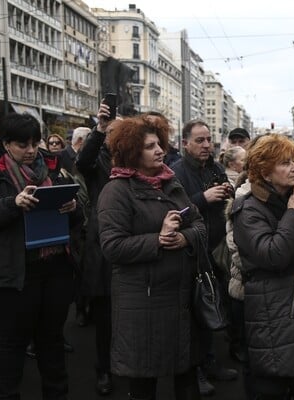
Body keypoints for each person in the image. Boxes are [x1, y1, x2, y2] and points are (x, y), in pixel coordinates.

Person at [97, 115, 205, 400]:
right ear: (132, 152)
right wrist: (157, 239)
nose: (160, 150)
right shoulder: (116, 191)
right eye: (149, 146)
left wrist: (185, 237)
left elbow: (199, 225)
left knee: (186, 379)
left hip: (180, 300)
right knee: (144, 384)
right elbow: (112, 246)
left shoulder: (171, 183)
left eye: (159, 144)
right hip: (142, 305)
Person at [231, 134, 294, 400]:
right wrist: (293, 215)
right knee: (273, 385)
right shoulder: (248, 209)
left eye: (293, 161)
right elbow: (271, 255)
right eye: (284, 163)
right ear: (265, 172)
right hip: (274, 310)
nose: (293, 167)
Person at [0, 112, 80, 399]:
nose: (30, 151)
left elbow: (79, 219)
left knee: (51, 343)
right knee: (9, 346)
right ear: (5, 143)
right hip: (11, 276)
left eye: (35, 143)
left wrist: (73, 208)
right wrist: (12, 203)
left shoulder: (54, 169)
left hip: (54, 269)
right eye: (22, 144)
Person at [171, 120, 236, 396]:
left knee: (212, 310)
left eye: (208, 139)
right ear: (184, 143)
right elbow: (174, 211)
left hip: (215, 251)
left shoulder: (215, 167)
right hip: (190, 253)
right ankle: (195, 369)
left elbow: (224, 197)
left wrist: (227, 192)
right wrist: (202, 197)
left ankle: (210, 363)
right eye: (199, 140)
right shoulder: (176, 172)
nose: (207, 145)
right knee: (193, 318)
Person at [75, 103, 116, 395]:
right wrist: (99, 130)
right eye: (112, 131)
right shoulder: (98, 160)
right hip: (103, 249)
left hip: (132, 247)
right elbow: (82, 162)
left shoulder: (138, 161)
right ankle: (104, 369)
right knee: (105, 318)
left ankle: (125, 364)